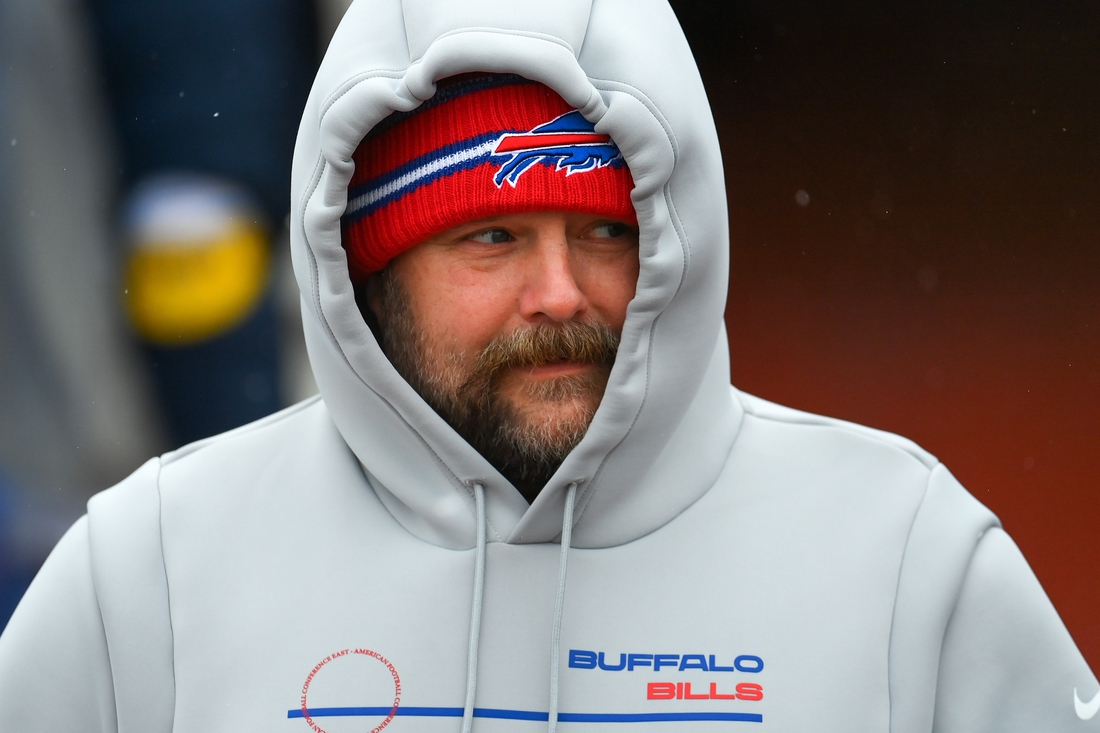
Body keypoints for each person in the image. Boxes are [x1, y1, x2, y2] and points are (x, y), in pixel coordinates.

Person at [0, 1, 1096, 732]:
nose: (561, 293)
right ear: (367, 269)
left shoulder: (904, 562)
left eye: (606, 233)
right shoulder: (152, 574)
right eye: (491, 238)